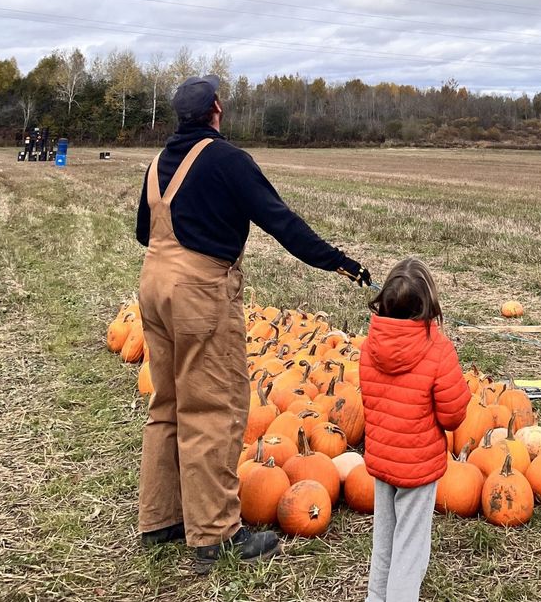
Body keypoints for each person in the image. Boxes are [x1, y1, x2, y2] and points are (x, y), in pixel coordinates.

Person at [135, 73, 371, 573]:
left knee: (168, 402)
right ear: (216, 109)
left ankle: (160, 519)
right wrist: (339, 262)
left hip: (153, 286)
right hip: (200, 293)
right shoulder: (228, 160)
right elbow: (279, 220)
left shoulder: (159, 164)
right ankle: (216, 535)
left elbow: (143, 231)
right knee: (214, 409)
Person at [358, 257, 470, 602]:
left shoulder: (368, 347)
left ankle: (376, 596)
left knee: (385, 538)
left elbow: (371, 400)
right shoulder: (437, 350)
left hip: (381, 459)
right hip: (419, 467)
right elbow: (453, 415)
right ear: (428, 306)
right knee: (411, 544)